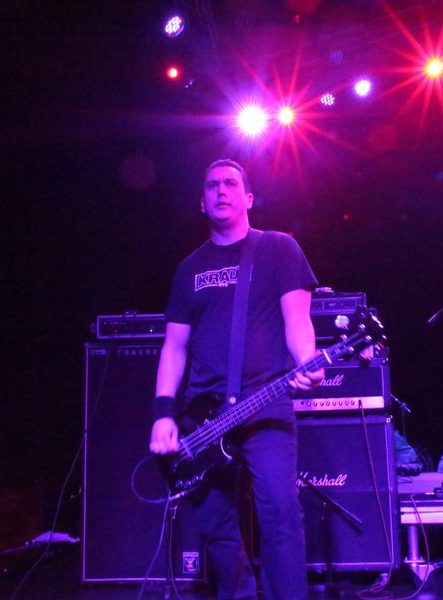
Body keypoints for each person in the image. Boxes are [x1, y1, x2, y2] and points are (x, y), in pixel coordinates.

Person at [149, 159, 323, 599]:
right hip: (204, 413)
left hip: (266, 402)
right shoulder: (189, 269)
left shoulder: (279, 248)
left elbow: (298, 320)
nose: (221, 190)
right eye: (212, 185)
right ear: (201, 202)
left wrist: (307, 361)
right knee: (214, 520)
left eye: (230, 184)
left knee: (280, 511)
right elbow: (174, 347)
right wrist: (163, 413)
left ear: (248, 198)